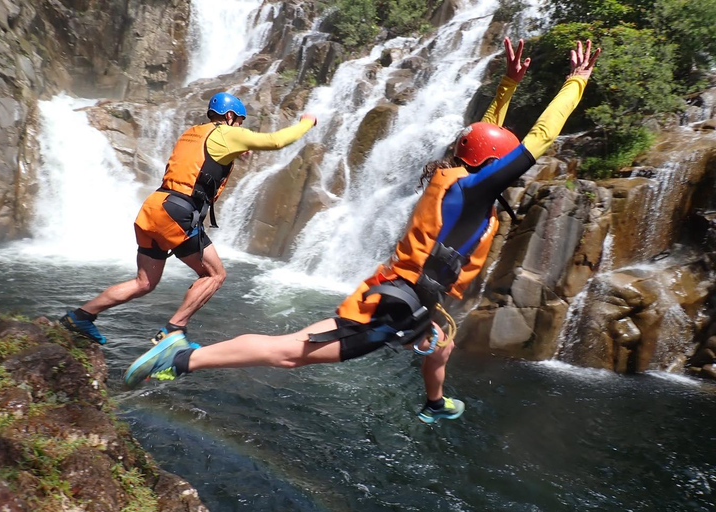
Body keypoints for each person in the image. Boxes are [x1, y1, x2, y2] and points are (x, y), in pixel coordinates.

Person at [124, 39, 601, 424]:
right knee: (290, 353)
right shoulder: (476, 191)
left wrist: (509, 84)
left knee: (440, 339)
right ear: (494, 168)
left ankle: (434, 404)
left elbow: (484, 135)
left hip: (397, 292)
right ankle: (178, 358)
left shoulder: (454, 175)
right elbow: (539, 137)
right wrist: (576, 82)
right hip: (398, 304)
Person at [60, 92, 318, 345]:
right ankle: (174, 330)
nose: (240, 127)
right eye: (239, 122)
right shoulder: (227, 133)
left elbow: (199, 160)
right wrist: (307, 121)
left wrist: (236, 151)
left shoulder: (192, 133)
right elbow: (275, 141)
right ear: (229, 116)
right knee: (215, 275)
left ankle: (80, 317)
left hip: (154, 208)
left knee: (144, 282)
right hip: (177, 214)